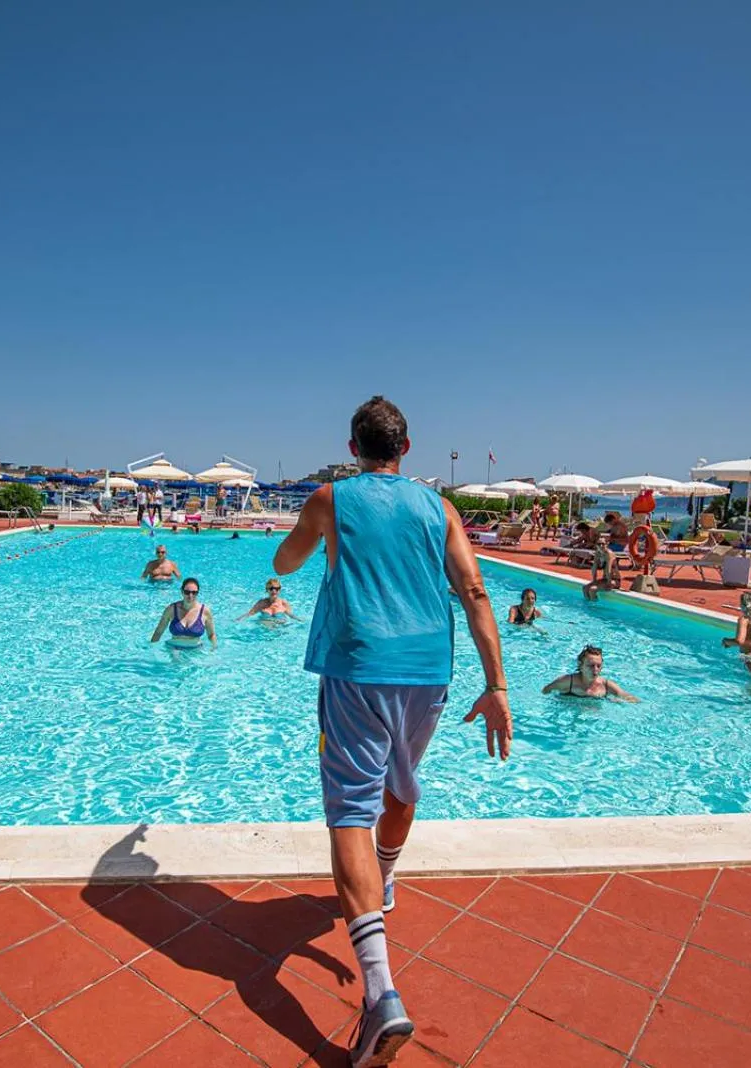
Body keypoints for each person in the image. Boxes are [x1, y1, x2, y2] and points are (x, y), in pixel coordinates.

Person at [274, 395, 511, 1067]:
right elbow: (474, 592)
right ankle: (386, 882)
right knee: (402, 785)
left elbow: (287, 562)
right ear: (406, 450)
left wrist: (305, 552)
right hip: (429, 670)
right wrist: (496, 686)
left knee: (351, 807)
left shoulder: (331, 499)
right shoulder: (439, 509)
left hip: (358, 669)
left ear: (353, 449)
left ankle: (382, 993)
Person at [543, 645, 638, 701]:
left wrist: (621, 700)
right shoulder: (567, 681)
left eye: (599, 666)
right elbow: (545, 691)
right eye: (591, 666)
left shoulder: (606, 685)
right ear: (581, 665)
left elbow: (628, 697)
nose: (596, 670)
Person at [150, 578, 217, 647]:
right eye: (187, 592)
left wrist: (214, 649)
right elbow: (158, 632)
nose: (190, 596)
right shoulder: (171, 609)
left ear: (197, 593)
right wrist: (151, 648)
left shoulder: (205, 611)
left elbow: (211, 634)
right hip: (174, 649)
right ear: (182, 592)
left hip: (196, 651)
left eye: (194, 593)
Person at [723, 592, 751, 659]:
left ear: (746, 606)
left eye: (741, 603)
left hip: (748, 657)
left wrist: (726, 641)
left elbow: (739, 641)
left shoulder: (744, 620)